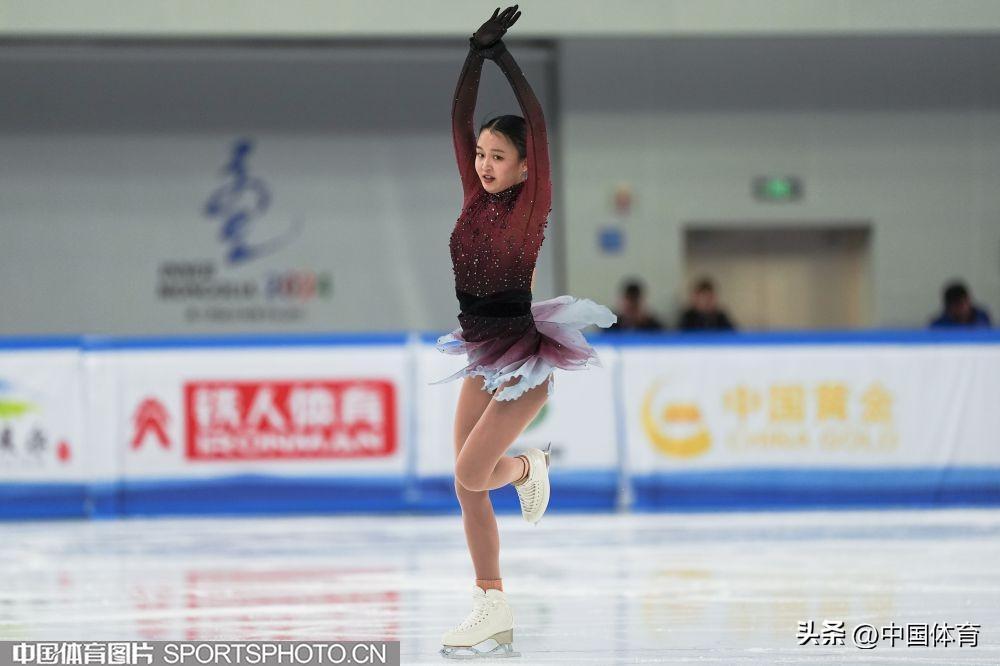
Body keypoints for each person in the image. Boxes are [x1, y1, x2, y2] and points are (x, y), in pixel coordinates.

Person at [428, 5, 616, 659]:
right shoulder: (472, 198)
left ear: (524, 166)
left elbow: (535, 123)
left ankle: (528, 466)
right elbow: (458, 119)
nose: (483, 164)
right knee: (466, 483)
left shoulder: (531, 209)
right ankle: (492, 606)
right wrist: (474, 53)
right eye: (481, 154)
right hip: (481, 353)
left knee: (470, 471)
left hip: (522, 363)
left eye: (498, 156)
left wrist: (503, 56)